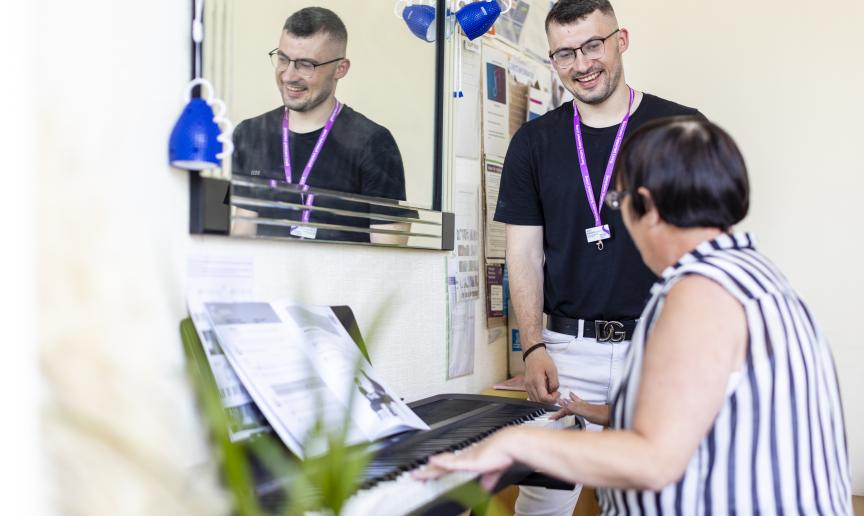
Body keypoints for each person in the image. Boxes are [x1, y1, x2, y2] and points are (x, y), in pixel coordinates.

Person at [418, 116, 853, 515]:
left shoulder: (700, 293)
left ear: (647, 205)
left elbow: (654, 461)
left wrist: (516, 442)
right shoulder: (755, 277)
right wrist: (597, 411)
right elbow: (707, 410)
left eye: (618, 199)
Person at [492, 0, 700, 513]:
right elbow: (523, 250)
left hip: (654, 348)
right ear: (552, 60)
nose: (582, 64)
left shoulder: (680, 128)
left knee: (651, 500)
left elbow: (701, 247)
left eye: (593, 45)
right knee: (541, 501)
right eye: (565, 54)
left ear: (620, 40)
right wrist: (533, 345)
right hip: (565, 351)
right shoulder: (533, 142)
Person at [230, 6, 410, 244]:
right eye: (283, 59)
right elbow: (243, 231)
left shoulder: (374, 143)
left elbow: (389, 259)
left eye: (306, 64)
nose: (288, 76)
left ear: (341, 69)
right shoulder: (249, 134)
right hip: (268, 279)